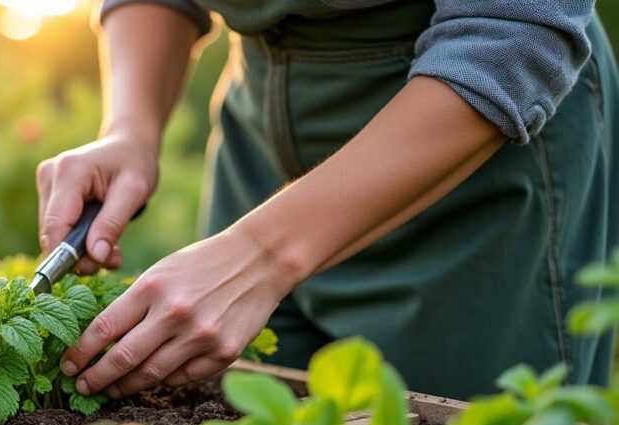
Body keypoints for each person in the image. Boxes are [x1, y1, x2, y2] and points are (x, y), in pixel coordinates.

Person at [37, 0, 619, 401]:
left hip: (463, 149)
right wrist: (131, 130)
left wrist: (261, 255)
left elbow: (512, 31)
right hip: (258, 150)